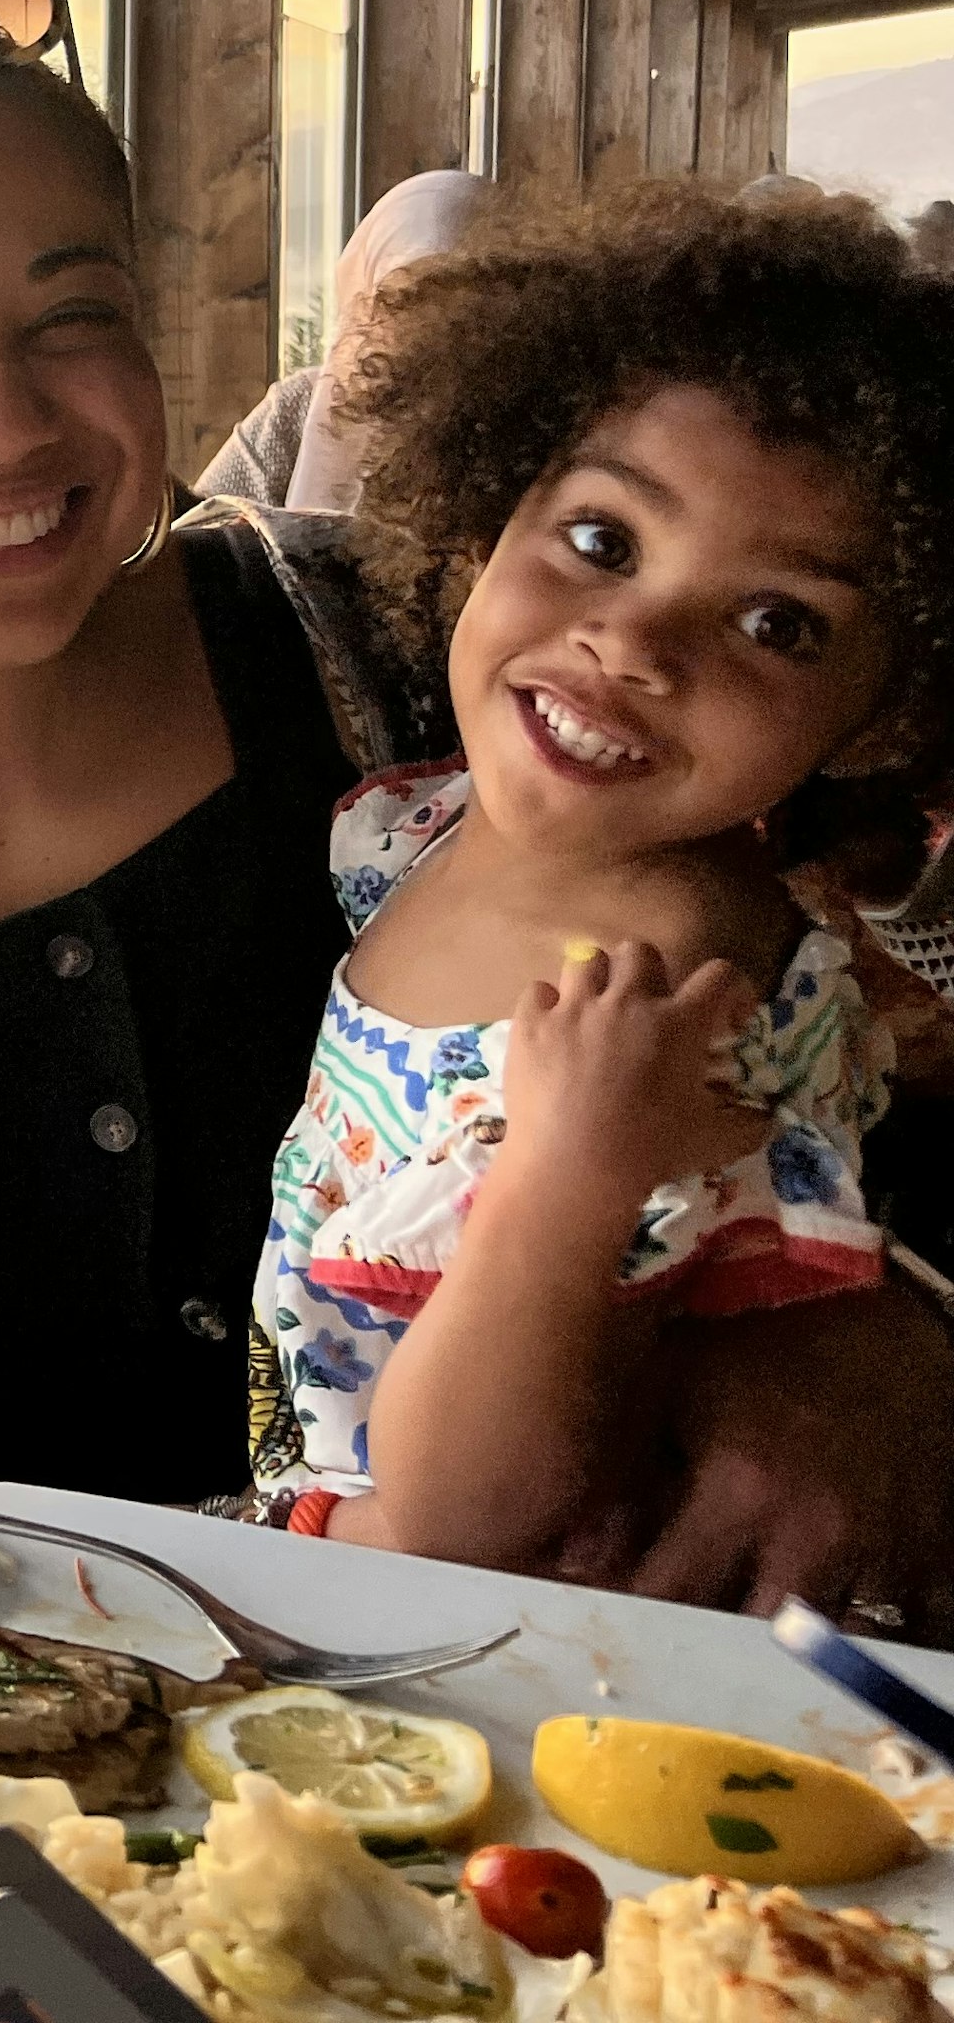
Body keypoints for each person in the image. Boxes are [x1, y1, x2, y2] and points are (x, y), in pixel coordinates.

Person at [0, 0, 954, 1629]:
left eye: (71, 314)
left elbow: (847, 1052)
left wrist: (889, 1337)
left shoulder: (431, 661)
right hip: (36, 1772)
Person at [248, 185, 954, 1570]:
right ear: (490, 505)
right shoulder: (423, 831)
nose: (631, 640)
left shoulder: (666, 1026)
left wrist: (565, 1184)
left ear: (883, 717)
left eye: (775, 622)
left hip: (461, 1633)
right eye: (602, 540)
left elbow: (470, 1515)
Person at [198, 168, 489, 515]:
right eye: (401, 297)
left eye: (458, 299)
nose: (427, 322)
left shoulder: (537, 442)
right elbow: (198, 536)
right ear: (362, 301)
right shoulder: (296, 412)